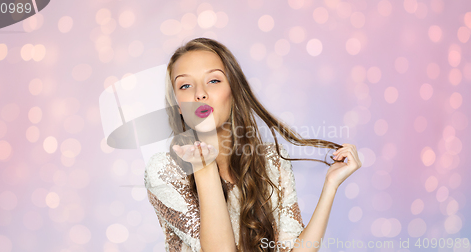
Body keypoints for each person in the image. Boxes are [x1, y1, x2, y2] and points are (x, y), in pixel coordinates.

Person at [144, 37, 362, 252]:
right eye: (185, 85)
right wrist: (205, 165)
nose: (200, 93)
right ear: (179, 106)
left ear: (234, 90)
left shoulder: (270, 161)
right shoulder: (165, 170)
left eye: (213, 81)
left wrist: (330, 186)